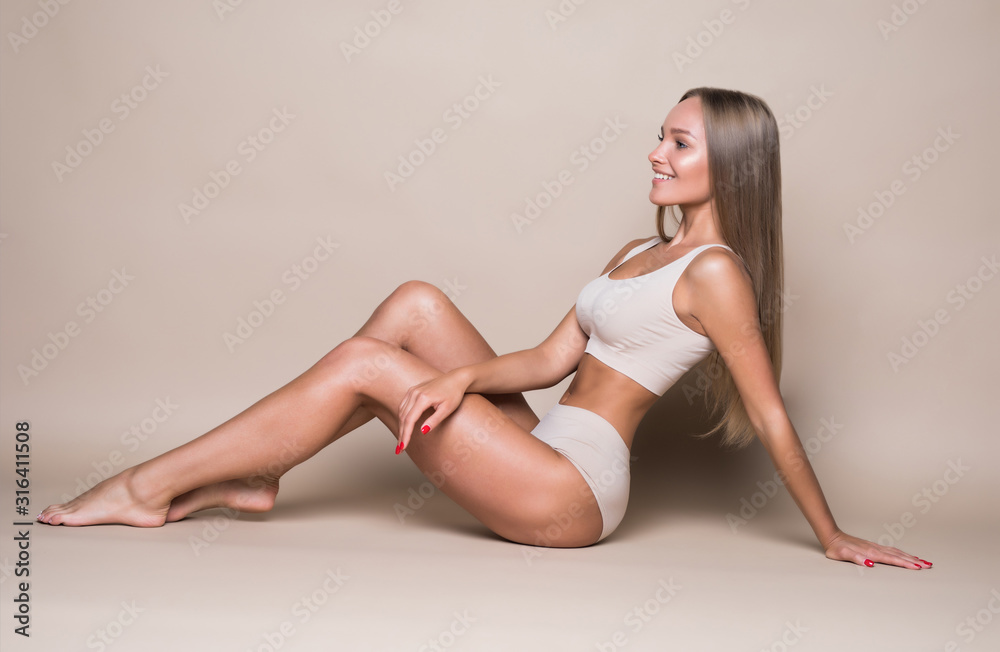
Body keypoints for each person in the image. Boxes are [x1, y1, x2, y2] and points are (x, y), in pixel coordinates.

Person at [38, 86, 932, 570]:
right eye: (660, 135)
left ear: (730, 164)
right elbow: (549, 360)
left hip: (574, 495)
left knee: (365, 362)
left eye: (682, 143)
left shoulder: (718, 276)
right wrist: (462, 378)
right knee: (416, 304)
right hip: (545, 439)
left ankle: (146, 488)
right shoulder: (634, 251)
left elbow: (771, 413)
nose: (657, 152)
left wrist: (834, 535)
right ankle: (257, 474)